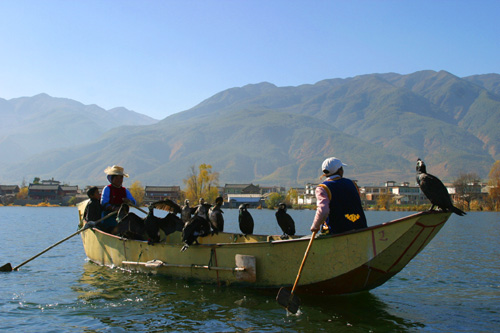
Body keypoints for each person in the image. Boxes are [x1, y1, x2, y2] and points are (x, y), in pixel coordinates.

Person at [310, 157, 367, 234]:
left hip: (336, 230)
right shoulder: (352, 184)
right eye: (342, 168)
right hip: (360, 227)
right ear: (339, 171)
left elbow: (323, 210)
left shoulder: (322, 188)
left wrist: (315, 226)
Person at [100, 165, 136, 233]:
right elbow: (104, 203)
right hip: (109, 216)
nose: (119, 180)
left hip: (123, 216)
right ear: (111, 178)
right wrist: (114, 208)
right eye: (117, 178)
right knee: (115, 227)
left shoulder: (125, 190)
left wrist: (129, 201)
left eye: (121, 178)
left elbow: (134, 202)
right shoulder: (107, 189)